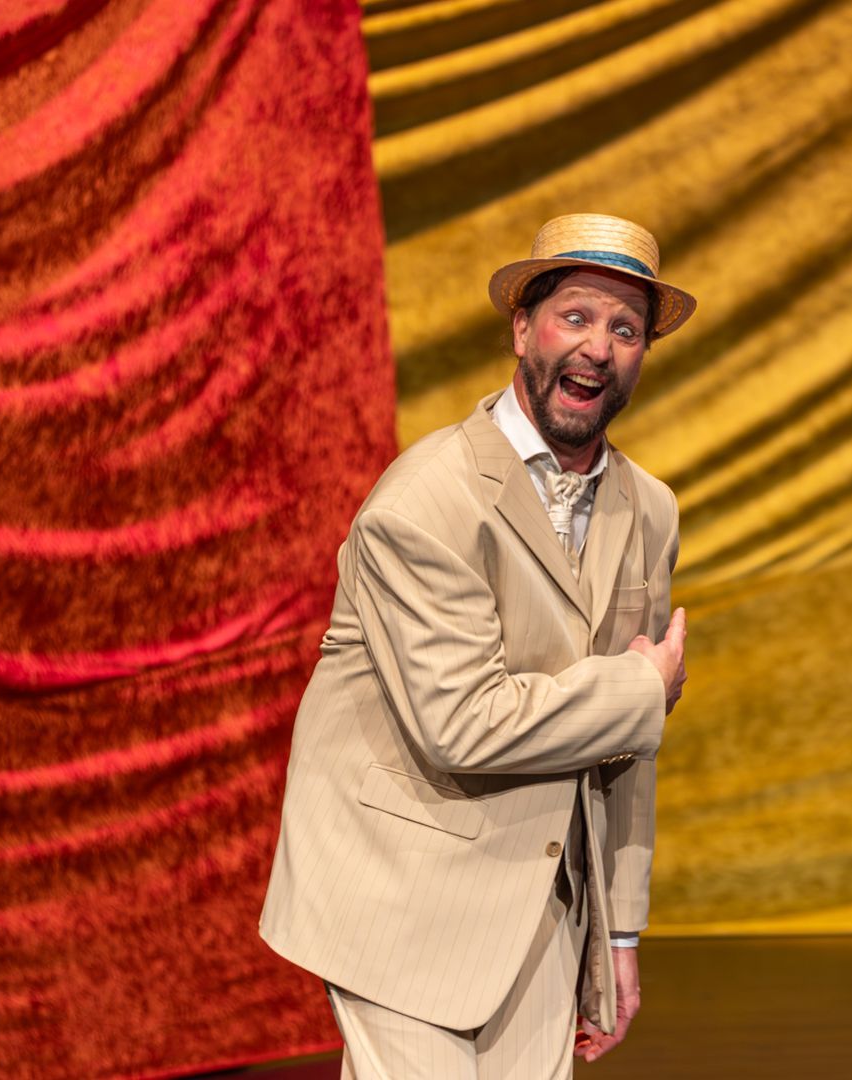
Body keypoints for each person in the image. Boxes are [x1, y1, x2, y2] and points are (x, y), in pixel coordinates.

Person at [259, 213, 692, 1078]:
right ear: (522, 329)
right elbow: (462, 722)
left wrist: (618, 932)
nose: (598, 347)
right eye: (575, 317)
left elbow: (625, 750)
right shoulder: (425, 502)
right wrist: (640, 689)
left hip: (540, 904)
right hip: (401, 891)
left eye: (625, 329)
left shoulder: (648, 509)